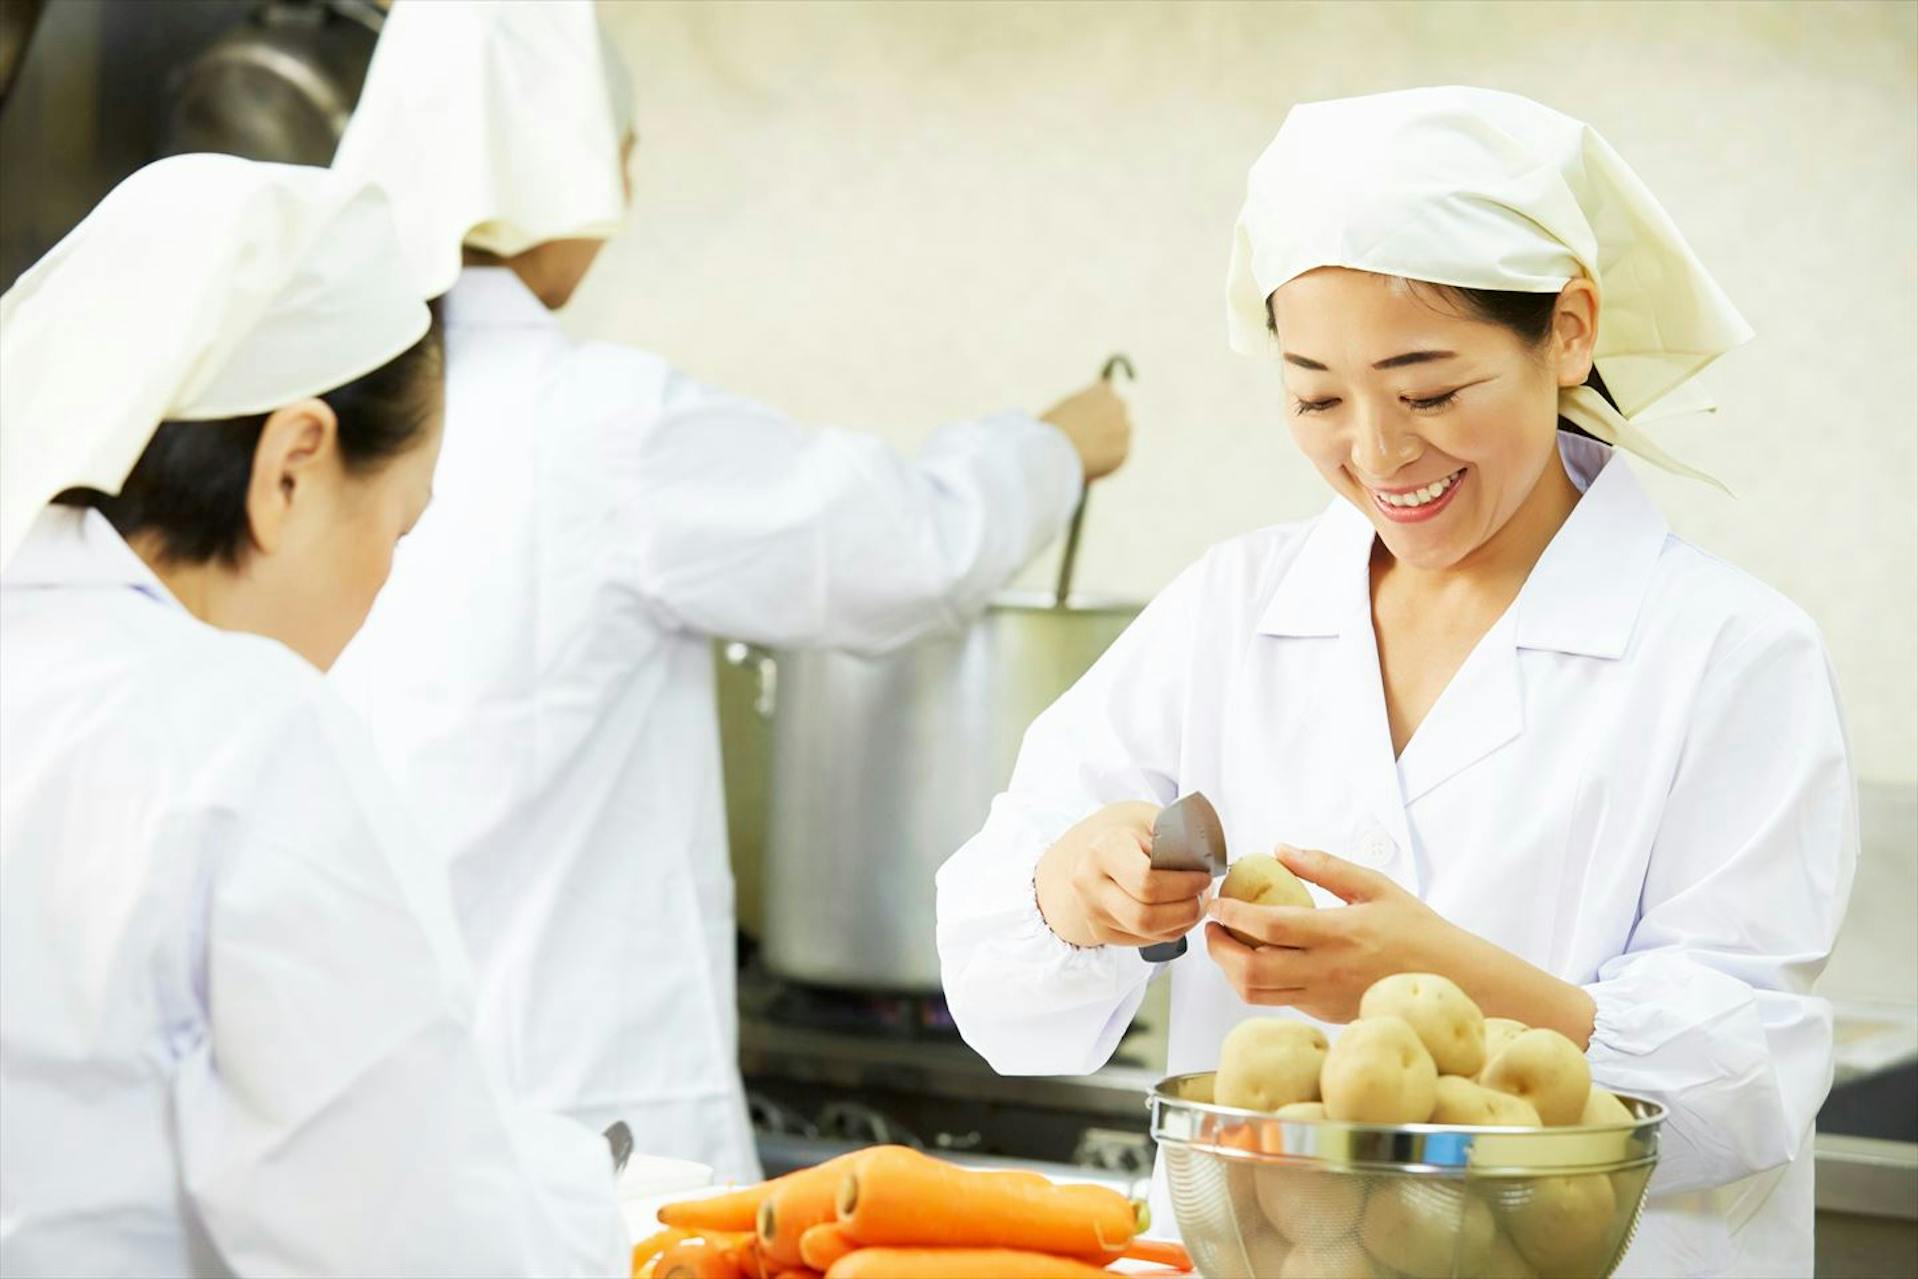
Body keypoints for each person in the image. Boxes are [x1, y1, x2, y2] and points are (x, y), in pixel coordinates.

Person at [937, 87, 1856, 1278]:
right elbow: (1007, 997)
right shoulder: (1231, 608)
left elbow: (1742, 1087)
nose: (1374, 452)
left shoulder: (1729, 652)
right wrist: (1075, 890)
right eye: (1316, 394)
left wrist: (1435, 977)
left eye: (1427, 390)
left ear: (1568, 329)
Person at [324, 0, 1131, 1180]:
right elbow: (901, 549)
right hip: (576, 1110)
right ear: (565, 172)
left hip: (374, 1103)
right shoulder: (593, 422)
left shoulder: (337, 414)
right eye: (618, 149)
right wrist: (1057, 447)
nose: (631, 175)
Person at [0, 155, 625, 1276]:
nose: (382, 582)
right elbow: (405, 1239)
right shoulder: (238, 732)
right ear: (292, 467)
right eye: (396, 527)